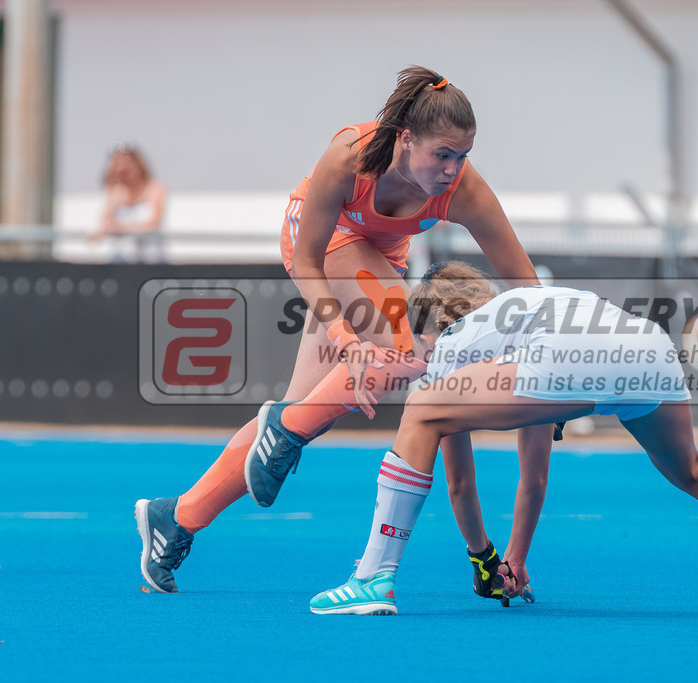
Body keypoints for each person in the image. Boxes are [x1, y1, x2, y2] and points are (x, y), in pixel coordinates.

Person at [135, 66, 549, 594]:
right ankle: (285, 429)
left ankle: (176, 517)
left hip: (378, 259)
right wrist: (347, 340)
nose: (452, 169)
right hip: (315, 245)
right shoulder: (351, 156)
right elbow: (308, 260)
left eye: (462, 156)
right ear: (405, 139)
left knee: (312, 403)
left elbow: (529, 290)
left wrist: (546, 361)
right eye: (442, 155)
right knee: (403, 349)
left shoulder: (463, 191)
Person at [259, 261, 698, 616]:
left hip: (568, 362)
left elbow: (462, 482)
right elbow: (534, 476)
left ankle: (372, 578)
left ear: (435, 323)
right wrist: (514, 560)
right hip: (646, 348)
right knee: (693, 471)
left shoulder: (457, 344)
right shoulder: (522, 314)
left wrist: (484, 558)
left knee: (419, 413)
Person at [89, 144, 167, 263]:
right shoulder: (115, 192)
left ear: (138, 166)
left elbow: (154, 223)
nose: (123, 176)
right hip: (121, 260)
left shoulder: (155, 188)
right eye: (119, 171)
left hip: (151, 261)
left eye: (127, 170)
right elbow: (106, 221)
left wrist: (121, 229)